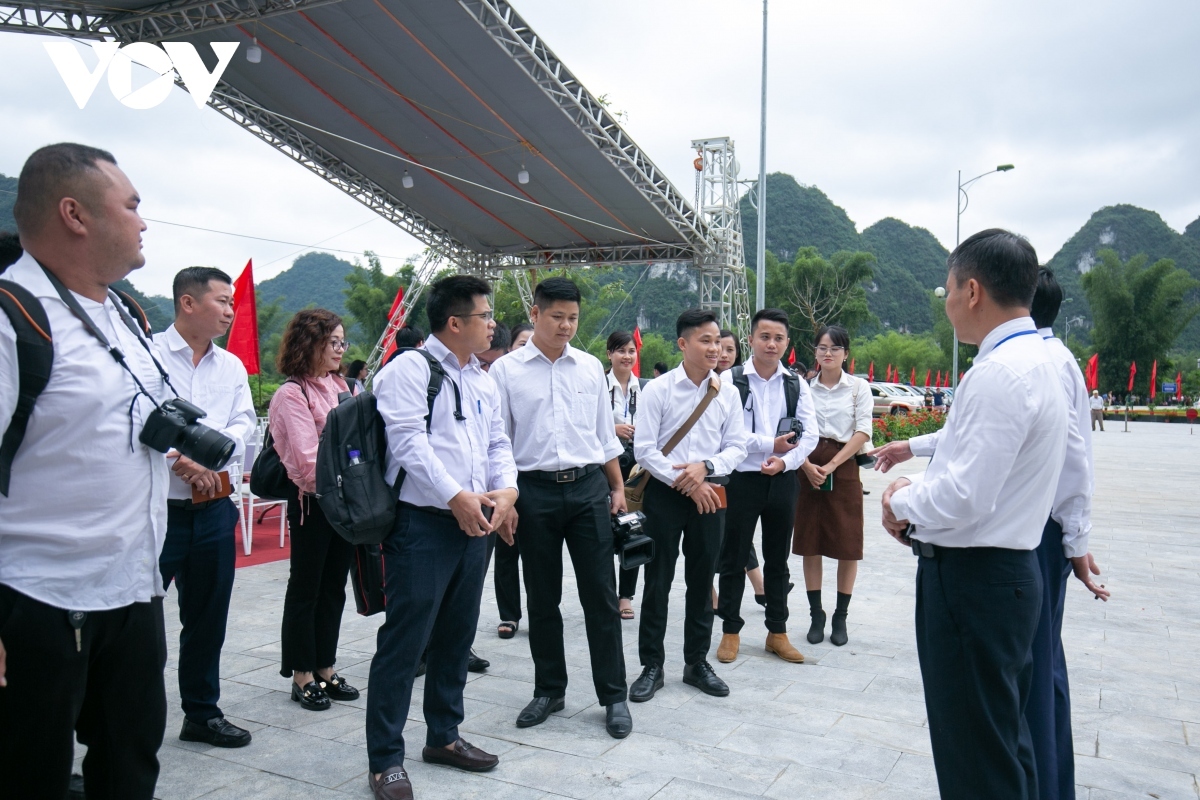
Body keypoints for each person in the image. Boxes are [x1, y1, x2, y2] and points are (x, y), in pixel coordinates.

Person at [0, 143, 170, 799]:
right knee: (29, 774)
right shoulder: (14, 317)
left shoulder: (124, 311)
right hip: (39, 599)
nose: (142, 221)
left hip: (132, 589)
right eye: (131, 206)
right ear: (74, 214)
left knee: (129, 767)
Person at [878, 229, 1068, 800]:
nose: (947, 300)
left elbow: (965, 497)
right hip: (1005, 576)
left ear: (974, 290)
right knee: (1006, 747)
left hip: (974, 582)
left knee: (976, 759)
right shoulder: (1041, 361)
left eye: (948, 287)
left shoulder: (1000, 373)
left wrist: (899, 501)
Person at [366, 275, 517, 799]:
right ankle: (385, 759)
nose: (493, 323)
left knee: (456, 635)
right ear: (455, 323)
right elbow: (407, 443)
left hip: (477, 523)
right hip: (424, 525)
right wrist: (456, 496)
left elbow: (498, 440)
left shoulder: (481, 377)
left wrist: (507, 489)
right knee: (405, 642)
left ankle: (443, 736)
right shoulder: (408, 370)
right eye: (486, 314)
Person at [491, 278, 632, 737]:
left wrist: (616, 488)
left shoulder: (590, 368)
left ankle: (613, 696)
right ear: (535, 315)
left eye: (572, 317)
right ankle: (549, 690)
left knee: (601, 596)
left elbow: (603, 435)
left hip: (588, 488)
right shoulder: (507, 372)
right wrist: (506, 499)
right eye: (557, 317)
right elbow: (500, 444)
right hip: (533, 493)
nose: (566, 326)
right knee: (543, 596)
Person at [154, 268, 256, 748]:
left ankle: (201, 713)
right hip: (156, 511)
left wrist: (207, 459)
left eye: (232, 302)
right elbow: (139, 420)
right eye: (222, 300)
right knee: (139, 619)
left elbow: (243, 425)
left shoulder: (231, 367)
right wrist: (179, 458)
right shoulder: (149, 356)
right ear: (188, 303)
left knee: (207, 618)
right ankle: (131, 713)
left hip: (214, 509)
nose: (230, 310)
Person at [630, 309, 747, 702]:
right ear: (683, 344)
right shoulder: (658, 389)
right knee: (657, 581)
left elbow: (737, 447)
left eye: (718, 341)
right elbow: (644, 449)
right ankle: (652, 665)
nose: (715, 348)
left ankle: (696, 662)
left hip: (711, 493)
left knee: (702, 581)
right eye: (705, 340)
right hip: (665, 495)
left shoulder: (727, 392)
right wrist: (686, 482)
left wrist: (705, 468)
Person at [715, 309, 818, 665]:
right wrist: (768, 445)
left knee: (778, 560)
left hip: (783, 481)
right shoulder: (729, 380)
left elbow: (810, 434)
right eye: (765, 337)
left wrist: (785, 462)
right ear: (751, 341)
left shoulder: (795, 383)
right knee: (734, 558)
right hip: (741, 480)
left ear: (787, 344)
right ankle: (730, 630)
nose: (771, 344)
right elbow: (727, 434)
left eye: (778, 338)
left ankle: (778, 631)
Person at [269, 308, 361, 711]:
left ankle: (325, 665)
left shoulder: (342, 386)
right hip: (312, 503)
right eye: (334, 341)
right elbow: (307, 463)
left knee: (333, 588)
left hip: (343, 502)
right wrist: (346, 471)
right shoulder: (293, 393)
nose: (341, 349)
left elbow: (360, 443)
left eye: (343, 341)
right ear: (312, 343)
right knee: (306, 588)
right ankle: (301, 673)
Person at [794, 325, 874, 647]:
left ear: (846, 353)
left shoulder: (858, 388)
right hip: (807, 467)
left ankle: (840, 616)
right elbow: (793, 431)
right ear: (814, 351)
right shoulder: (802, 388)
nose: (828, 353)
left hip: (842, 470)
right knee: (809, 542)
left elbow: (863, 432)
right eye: (822, 347)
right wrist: (806, 464)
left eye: (835, 348)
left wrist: (831, 465)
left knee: (847, 544)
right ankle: (816, 614)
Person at [492, 320, 535, 640]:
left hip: (536, 481)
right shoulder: (500, 377)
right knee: (507, 548)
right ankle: (509, 613)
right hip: (505, 478)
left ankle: (540, 610)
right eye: (523, 343)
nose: (529, 348)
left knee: (538, 552)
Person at [606, 330, 644, 620]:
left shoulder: (643, 387)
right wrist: (613, 429)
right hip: (604, 468)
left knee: (633, 529)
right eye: (621, 351)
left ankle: (625, 596)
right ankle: (605, 592)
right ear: (609, 354)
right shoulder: (597, 385)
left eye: (631, 351)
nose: (627, 356)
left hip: (635, 471)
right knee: (602, 533)